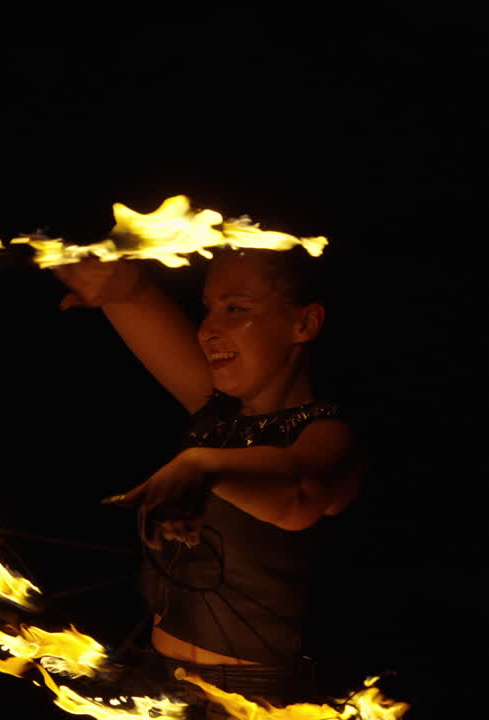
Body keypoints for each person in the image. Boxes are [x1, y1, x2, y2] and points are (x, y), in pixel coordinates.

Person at [54, 246, 360, 715]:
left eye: (237, 309)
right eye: (208, 309)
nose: (208, 330)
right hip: (159, 684)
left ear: (305, 324)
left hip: (253, 703)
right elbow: (133, 295)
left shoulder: (331, 436)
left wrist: (201, 467)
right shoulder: (216, 418)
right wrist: (118, 287)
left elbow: (300, 492)